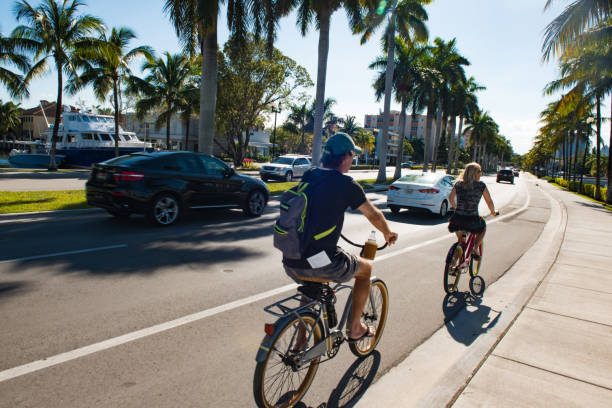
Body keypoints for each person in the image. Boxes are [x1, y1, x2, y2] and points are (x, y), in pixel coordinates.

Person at [283, 132, 398, 342]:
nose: (352, 161)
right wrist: (388, 233)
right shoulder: (347, 184)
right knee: (366, 270)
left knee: (311, 286)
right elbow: (373, 214)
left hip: (290, 260)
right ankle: (355, 328)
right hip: (319, 262)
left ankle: (300, 341)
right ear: (345, 157)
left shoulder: (310, 175)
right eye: (352, 156)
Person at [448, 162, 497, 256]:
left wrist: (456, 208)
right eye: (480, 171)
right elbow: (489, 202)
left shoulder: (458, 184)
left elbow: (451, 198)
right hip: (472, 220)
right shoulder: (481, 185)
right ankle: (475, 249)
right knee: (483, 227)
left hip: (457, 219)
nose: (481, 173)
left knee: (461, 243)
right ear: (475, 173)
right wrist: (493, 212)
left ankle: (453, 266)